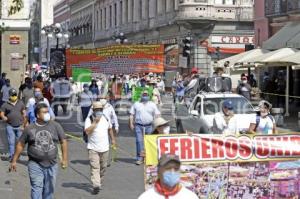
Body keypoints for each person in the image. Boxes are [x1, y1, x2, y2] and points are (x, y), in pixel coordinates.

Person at [9, 103, 68, 199]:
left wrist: (65, 159)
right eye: (44, 112)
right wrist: (14, 160)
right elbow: (20, 144)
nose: (47, 114)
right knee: (36, 188)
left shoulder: (55, 125)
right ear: (37, 115)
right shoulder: (29, 128)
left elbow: (63, 141)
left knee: (49, 190)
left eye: (47, 111)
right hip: (35, 164)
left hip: (52, 164)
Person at [84, 101, 116, 195]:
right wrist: (95, 123)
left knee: (103, 167)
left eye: (100, 109)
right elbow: (87, 131)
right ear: (93, 110)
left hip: (105, 147)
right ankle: (96, 185)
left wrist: (113, 139)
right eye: (97, 110)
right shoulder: (89, 119)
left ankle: (99, 181)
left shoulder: (106, 118)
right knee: (95, 167)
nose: (98, 111)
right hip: (93, 148)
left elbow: (110, 129)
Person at [129, 90, 160, 165]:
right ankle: (139, 158)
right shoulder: (136, 104)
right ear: (141, 95)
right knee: (139, 142)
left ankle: (148, 158)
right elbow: (131, 114)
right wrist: (131, 124)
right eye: (144, 94)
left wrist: (157, 123)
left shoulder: (152, 104)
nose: (145, 96)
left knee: (149, 142)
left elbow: (157, 114)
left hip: (149, 126)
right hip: (138, 126)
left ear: (149, 96)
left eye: (146, 94)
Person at [0, 88, 27, 160]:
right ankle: (12, 156)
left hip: (19, 126)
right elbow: (2, 114)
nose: (14, 96)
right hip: (10, 126)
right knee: (11, 142)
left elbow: (24, 112)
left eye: (15, 95)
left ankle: (18, 155)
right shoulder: (5, 104)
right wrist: (3, 117)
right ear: (9, 95)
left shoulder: (20, 103)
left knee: (20, 142)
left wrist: (25, 121)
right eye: (12, 95)